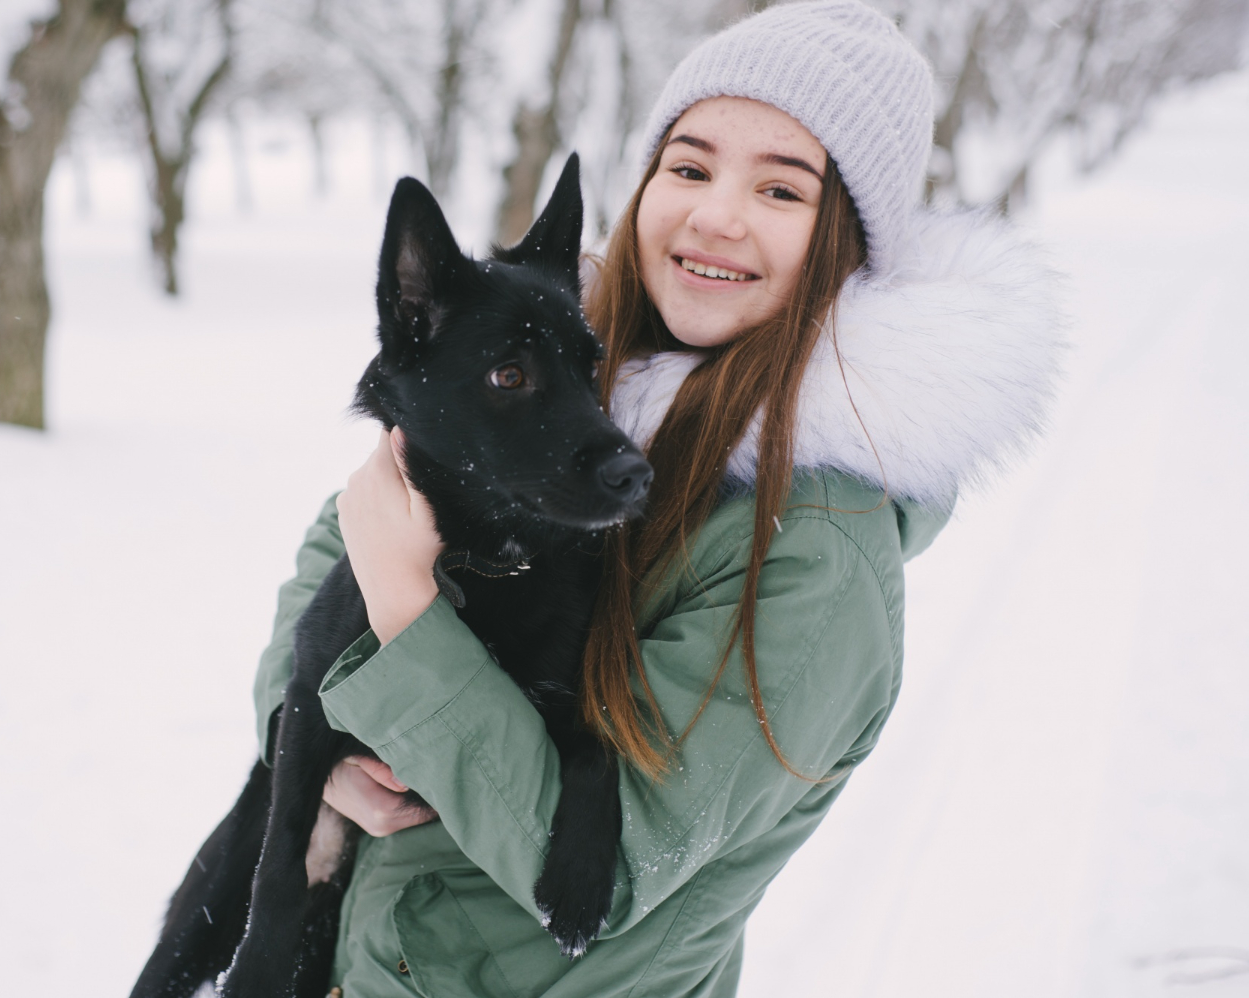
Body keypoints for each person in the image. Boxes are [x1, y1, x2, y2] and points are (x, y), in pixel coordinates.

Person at [252, 2, 1065, 995]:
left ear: (846, 245)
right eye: (689, 166)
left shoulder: (819, 554)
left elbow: (615, 860)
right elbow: (335, 568)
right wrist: (325, 752)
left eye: (780, 187)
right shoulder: (558, 375)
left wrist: (404, 618)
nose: (717, 213)